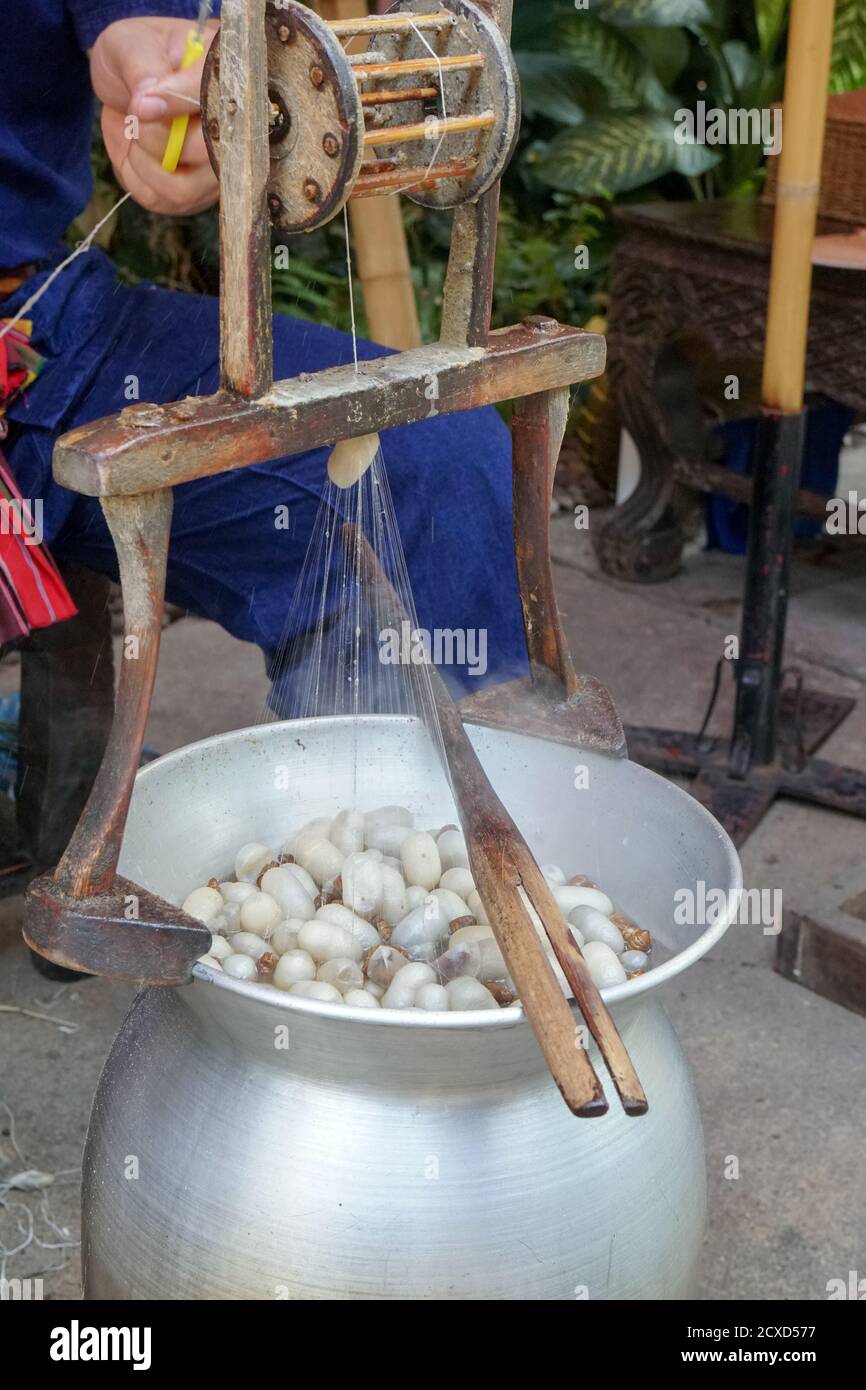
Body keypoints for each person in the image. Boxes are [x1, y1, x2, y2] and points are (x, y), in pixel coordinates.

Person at [0, 3, 529, 884]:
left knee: (436, 458)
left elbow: (139, 39)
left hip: (37, 332)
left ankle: (417, 890)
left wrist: (172, 82)